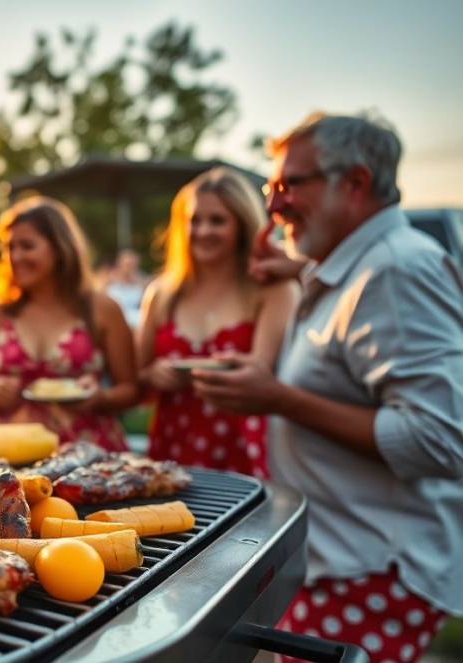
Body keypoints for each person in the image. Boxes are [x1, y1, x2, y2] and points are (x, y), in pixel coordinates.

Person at [192, 113, 462, 661]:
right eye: (271, 187)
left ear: (355, 183)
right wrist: (296, 269)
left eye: (290, 184)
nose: (273, 205)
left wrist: (277, 398)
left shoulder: (396, 272)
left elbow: (443, 439)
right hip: (339, 561)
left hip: (370, 574)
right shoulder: (357, 268)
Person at [136, 168, 298, 478]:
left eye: (218, 220)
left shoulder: (273, 290)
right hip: (173, 444)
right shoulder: (162, 294)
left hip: (241, 445)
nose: (203, 230)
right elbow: (137, 383)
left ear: (242, 224)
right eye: (195, 220)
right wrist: (153, 375)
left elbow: (261, 374)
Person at [0, 196, 138, 450]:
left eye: (27, 246)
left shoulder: (102, 309)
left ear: (60, 249)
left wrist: (99, 396)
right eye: (10, 247)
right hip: (13, 454)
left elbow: (130, 390)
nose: (15, 257)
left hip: (88, 455)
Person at [103, 249, 148, 328]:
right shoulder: (109, 279)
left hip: (136, 320)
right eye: (127, 264)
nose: (129, 268)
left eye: (131, 264)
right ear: (120, 264)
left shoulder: (141, 281)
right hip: (114, 318)